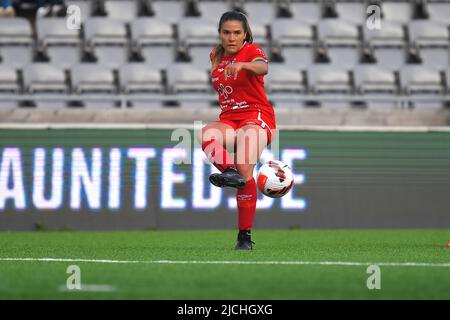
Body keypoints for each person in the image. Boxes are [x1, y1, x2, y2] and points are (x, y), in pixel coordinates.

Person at [198, 11, 276, 250]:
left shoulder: (252, 52)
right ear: (220, 34)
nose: (231, 38)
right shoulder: (215, 55)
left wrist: (243, 65)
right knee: (206, 135)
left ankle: (244, 236)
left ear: (244, 35)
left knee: (245, 167)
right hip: (230, 119)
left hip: (256, 116)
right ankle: (230, 172)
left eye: (236, 33)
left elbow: (263, 69)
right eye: (226, 32)